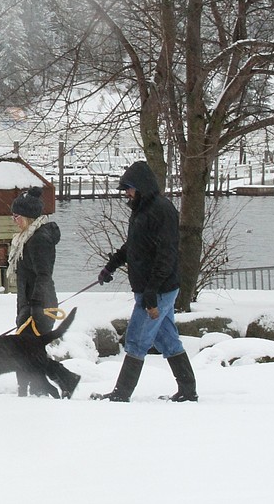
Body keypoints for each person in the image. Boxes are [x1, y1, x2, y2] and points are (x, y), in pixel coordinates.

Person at [92, 160, 198, 402]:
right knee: (166, 339)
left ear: (141, 186)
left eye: (129, 188)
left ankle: (121, 394)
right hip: (150, 289)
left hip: (158, 289)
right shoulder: (141, 211)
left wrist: (152, 290)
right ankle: (188, 390)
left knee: (136, 339)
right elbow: (134, 246)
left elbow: (167, 254)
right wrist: (112, 265)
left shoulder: (161, 210)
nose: (127, 194)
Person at [7, 186, 80, 398]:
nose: (14, 220)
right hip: (30, 303)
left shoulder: (39, 239)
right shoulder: (27, 238)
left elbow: (43, 274)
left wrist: (34, 306)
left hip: (39, 305)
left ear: (28, 216)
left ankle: (41, 388)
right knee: (32, 351)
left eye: (17, 216)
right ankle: (59, 382)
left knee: (28, 351)